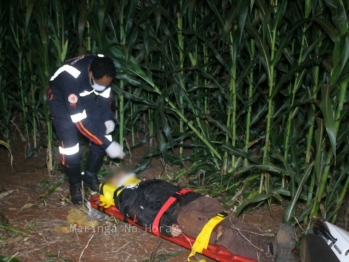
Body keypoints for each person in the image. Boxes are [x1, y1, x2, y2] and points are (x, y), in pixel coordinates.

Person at [48, 54, 125, 205]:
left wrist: (108, 118)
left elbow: (105, 100)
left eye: (106, 84)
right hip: (60, 99)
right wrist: (107, 145)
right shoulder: (70, 77)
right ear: (90, 74)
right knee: (70, 146)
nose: (103, 87)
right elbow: (81, 124)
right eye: (100, 84)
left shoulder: (103, 67)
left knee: (101, 131)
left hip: (83, 94)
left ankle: (89, 176)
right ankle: (75, 184)